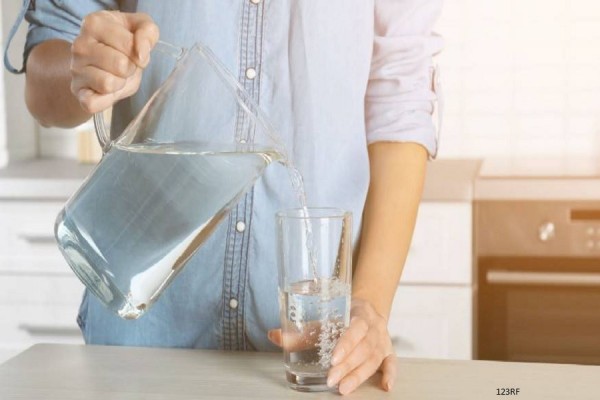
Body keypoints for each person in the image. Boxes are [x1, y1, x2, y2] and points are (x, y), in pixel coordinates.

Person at [5, 0, 443, 395]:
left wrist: (369, 303)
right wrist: (86, 69)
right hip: (140, 336)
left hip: (313, 354)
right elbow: (44, 87)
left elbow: (401, 101)